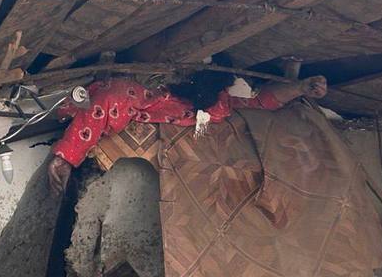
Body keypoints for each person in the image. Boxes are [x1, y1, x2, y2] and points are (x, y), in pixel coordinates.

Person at [47, 70, 328, 195]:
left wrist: (300, 88)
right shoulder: (143, 91)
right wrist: (66, 158)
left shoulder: (218, 102)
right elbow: (106, 103)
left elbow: (262, 102)